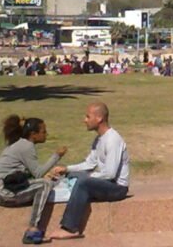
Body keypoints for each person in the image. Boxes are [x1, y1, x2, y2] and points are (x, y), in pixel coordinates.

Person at [47, 102, 130, 240]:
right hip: (106, 183)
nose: (84, 120)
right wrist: (66, 169)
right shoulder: (99, 139)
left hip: (117, 188)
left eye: (88, 116)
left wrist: (88, 176)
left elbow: (110, 174)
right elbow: (89, 164)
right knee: (74, 176)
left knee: (83, 182)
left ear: (99, 118)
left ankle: (70, 228)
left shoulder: (113, 139)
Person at [0, 115, 67, 245]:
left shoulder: (22, 144)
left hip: (0, 190)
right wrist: (57, 155)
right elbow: (38, 173)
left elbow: (27, 174)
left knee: (49, 182)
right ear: (33, 134)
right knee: (45, 185)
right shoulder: (26, 146)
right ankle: (32, 230)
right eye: (43, 131)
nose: (46, 134)